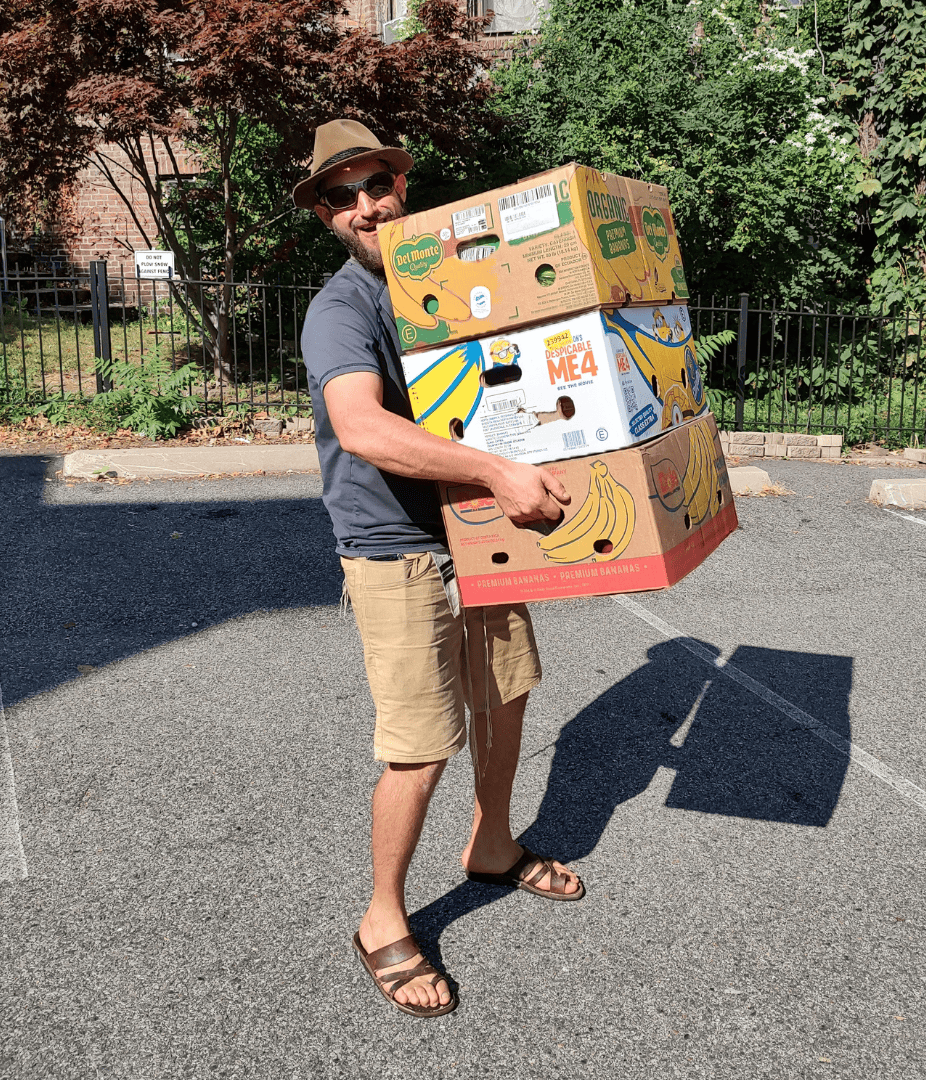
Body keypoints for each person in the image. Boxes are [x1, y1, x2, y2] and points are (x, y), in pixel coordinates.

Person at [293, 120, 584, 1018]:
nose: (364, 206)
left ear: (400, 188)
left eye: (375, 184)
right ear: (326, 216)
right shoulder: (342, 309)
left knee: (506, 693)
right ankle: (382, 918)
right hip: (397, 549)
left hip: (478, 531)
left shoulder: (445, 289)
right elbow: (363, 428)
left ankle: (492, 844)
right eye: (341, 196)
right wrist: (499, 471)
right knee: (420, 745)